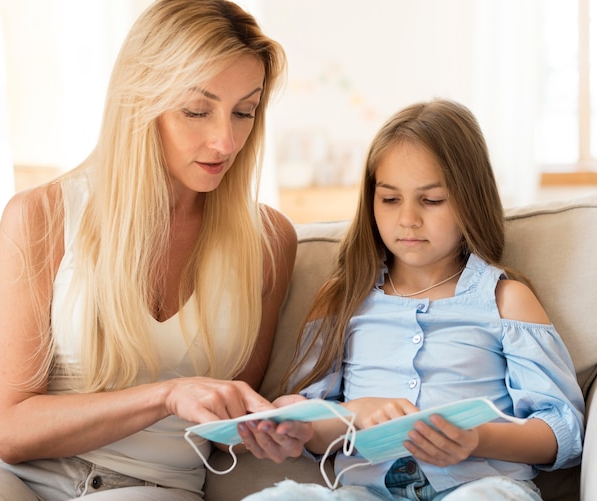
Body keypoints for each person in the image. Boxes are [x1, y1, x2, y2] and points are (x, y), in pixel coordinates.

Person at [0, 0, 310, 499]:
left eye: (244, 112)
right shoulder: (42, 215)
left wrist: (286, 423)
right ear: (140, 101)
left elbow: (228, 418)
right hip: (14, 475)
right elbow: (12, 430)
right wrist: (167, 395)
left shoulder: (267, 243)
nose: (225, 141)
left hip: (152, 483)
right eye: (197, 110)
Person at [241, 99, 585, 500]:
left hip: (480, 487)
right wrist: (310, 424)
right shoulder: (341, 299)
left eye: (432, 200)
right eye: (389, 199)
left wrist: (475, 438)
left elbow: (563, 430)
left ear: (470, 199)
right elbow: (316, 431)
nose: (407, 219)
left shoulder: (506, 300)